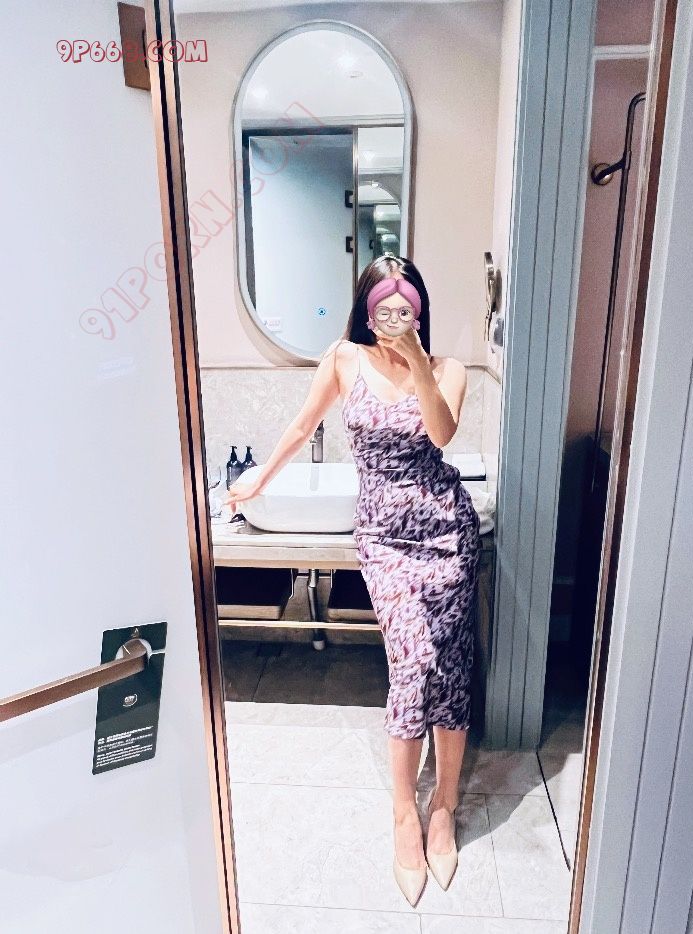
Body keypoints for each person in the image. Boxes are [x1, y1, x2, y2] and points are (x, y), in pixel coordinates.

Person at [225, 255, 481, 907]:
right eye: (385, 309)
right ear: (368, 311)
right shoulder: (343, 359)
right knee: (412, 666)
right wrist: (260, 478)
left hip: (446, 531)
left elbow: (441, 434)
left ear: (419, 312)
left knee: (451, 666)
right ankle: (404, 813)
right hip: (385, 539)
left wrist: (418, 360)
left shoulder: (448, 369)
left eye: (407, 309)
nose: (395, 318)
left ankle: (445, 804)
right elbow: (303, 424)